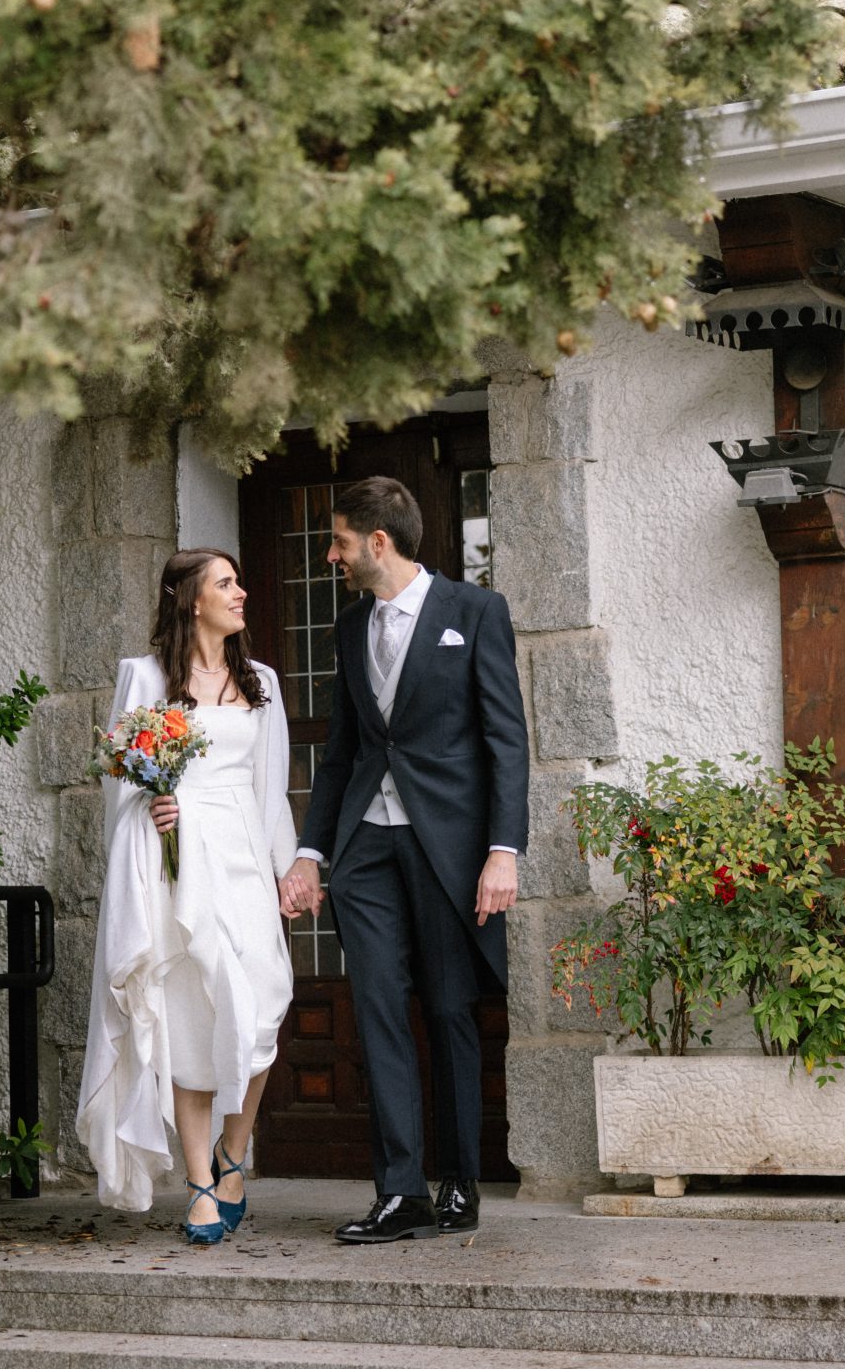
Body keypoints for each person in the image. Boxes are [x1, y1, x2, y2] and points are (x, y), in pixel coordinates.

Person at [280, 475, 528, 1245]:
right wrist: (312, 851)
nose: (331, 555)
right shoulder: (349, 630)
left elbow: (506, 740)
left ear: (377, 542)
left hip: (448, 847)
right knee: (378, 1007)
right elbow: (347, 750)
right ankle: (399, 1191)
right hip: (366, 850)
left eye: (341, 542)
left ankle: (457, 1183)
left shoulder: (475, 612)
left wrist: (502, 851)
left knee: (450, 1007)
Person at [76, 549, 297, 1245]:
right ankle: (202, 1182)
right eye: (226, 583)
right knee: (190, 1019)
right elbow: (122, 785)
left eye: (238, 580)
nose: (241, 592)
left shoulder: (261, 681)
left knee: (264, 1005)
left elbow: (272, 786)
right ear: (192, 601)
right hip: (177, 864)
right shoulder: (143, 678)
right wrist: (153, 805)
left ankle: (237, 1154)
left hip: (242, 858)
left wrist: (286, 871)